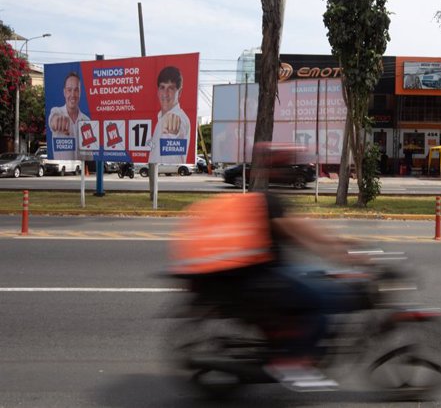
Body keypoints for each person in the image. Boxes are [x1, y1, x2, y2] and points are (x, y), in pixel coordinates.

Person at [170, 142, 364, 391]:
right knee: (320, 299)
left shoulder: (265, 198)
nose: (291, 169)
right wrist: (339, 250)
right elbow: (300, 233)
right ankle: (292, 361)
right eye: (286, 164)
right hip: (262, 277)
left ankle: (292, 348)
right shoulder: (269, 201)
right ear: (276, 168)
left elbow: (302, 230)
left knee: (322, 279)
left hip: (265, 272)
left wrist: (338, 245)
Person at [147, 66, 191, 164]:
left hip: (165, 176)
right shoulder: (162, 117)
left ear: (179, 92)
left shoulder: (176, 117)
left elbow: (177, 127)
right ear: (158, 90)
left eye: (171, 88)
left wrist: (174, 133)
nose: (165, 93)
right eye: (162, 87)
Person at [48, 72, 90, 160]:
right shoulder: (57, 111)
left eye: (76, 90)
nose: (73, 95)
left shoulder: (87, 121)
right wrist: (56, 121)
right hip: (63, 170)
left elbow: (89, 154)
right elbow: (53, 119)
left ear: (80, 92)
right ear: (64, 92)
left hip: (81, 170)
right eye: (69, 90)